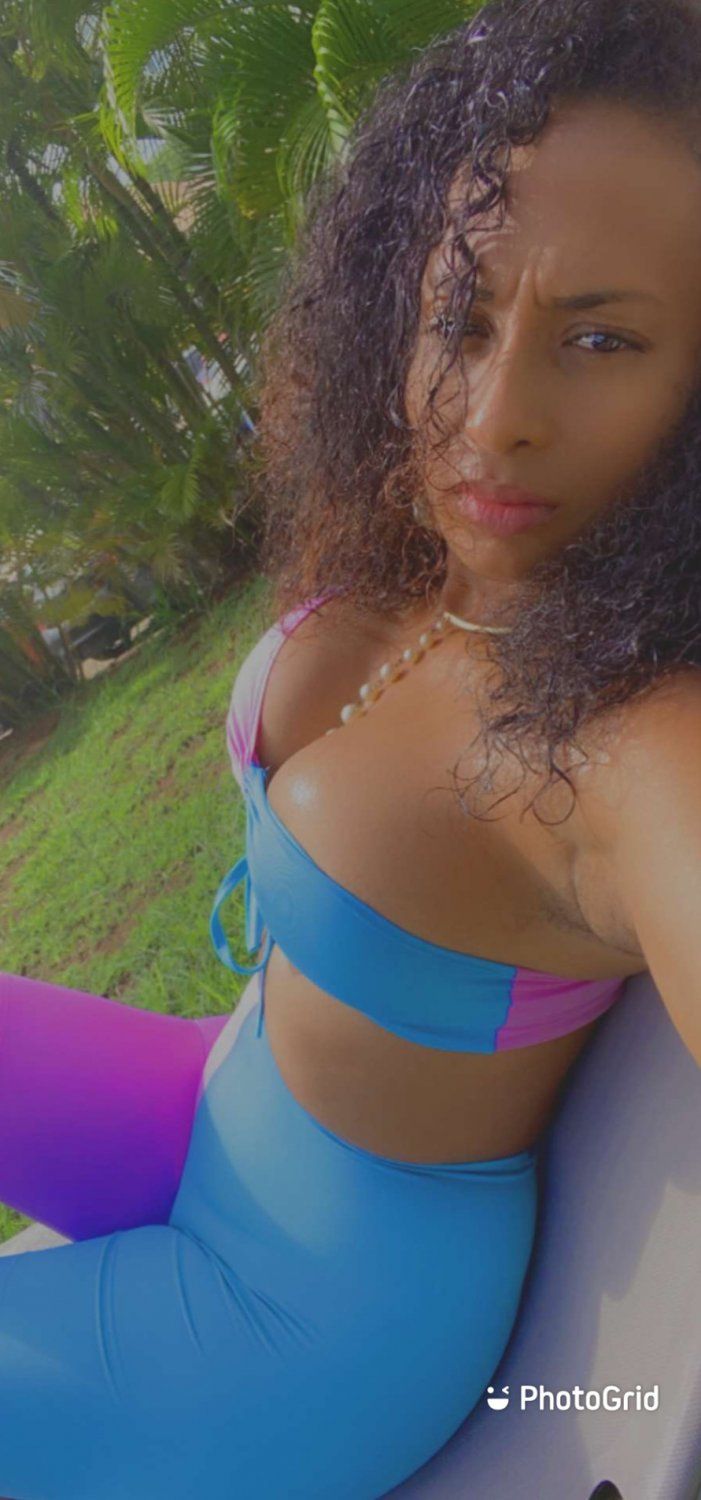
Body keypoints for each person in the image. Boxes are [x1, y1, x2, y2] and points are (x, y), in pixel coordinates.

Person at [1, 0, 701, 1494]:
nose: (493, 418)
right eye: (460, 318)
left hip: (299, 1324)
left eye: (600, 338)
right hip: (213, 1102)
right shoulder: (434, 555)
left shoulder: (632, 743)